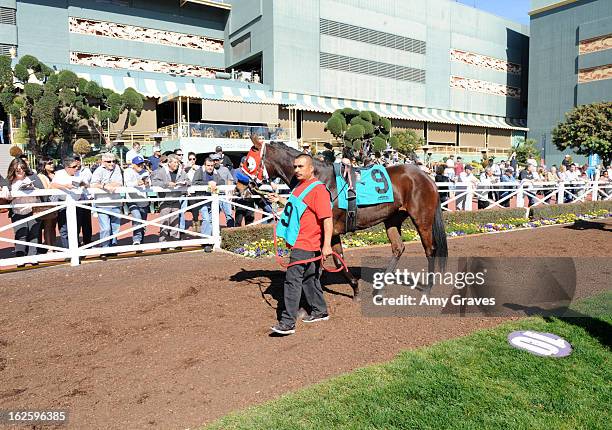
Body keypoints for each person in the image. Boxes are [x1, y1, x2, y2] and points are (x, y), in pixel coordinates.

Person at [265, 153, 333, 335]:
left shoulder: (318, 190)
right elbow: (296, 206)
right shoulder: (299, 187)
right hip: (301, 241)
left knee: (292, 280)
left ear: (311, 168)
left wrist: (327, 245)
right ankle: (320, 311)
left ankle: (287, 322)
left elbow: (327, 219)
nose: (296, 170)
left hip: (306, 242)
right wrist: (279, 200)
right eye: (295, 167)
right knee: (309, 278)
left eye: (301, 166)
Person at [5, 158, 44, 265]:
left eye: (22, 169)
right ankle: (20, 257)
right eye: (18, 170)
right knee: (20, 234)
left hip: (33, 209)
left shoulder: (32, 176)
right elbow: (5, 197)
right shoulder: (8, 180)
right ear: (13, 170)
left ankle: (33, 256)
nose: (21, 172)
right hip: (17, 210)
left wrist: (34, 189)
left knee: (34, 234)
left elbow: (43, 191)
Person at [151, 154, 190, 245]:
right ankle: (163, 243)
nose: (177, 164)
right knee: (165, 222)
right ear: (169, 163)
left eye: (178, 162)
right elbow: (154, 182)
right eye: (175, 162)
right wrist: (167, 183)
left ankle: (174, 242)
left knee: (175, 222)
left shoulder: (181, 172)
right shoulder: (162, 171)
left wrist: (184, 183)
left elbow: (189, 181)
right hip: (164, 201)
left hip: (176, 200)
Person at [90, 152, 124, 251]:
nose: (112, 163)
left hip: (116, 203)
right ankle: (105, 248)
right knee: (105, 228)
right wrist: (105, 186)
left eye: (113, 161)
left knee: (115, 228)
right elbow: (93, 184)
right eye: (109, 161)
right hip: (102, 204)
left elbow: (119, 183)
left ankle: (113, 247)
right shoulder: (98, 170)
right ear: (103, 162)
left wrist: (105, 184)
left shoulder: (117, 168)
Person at [192, 157, 222, 252]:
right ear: (205, 165)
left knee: (213, 220)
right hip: (203, 199)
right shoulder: (199, 171)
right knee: (206, 219)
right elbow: (194, 183)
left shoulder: (216, 173)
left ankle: (212, 239)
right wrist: (207, 183)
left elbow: (222, 181)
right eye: (208, 165)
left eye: (212, 166)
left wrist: (215, 183)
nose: (210, 167)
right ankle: (206, 241)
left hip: (214, 200)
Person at [123, 156, 150, 246]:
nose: (141, 166)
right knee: (137, 218)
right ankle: (136, 239)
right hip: (132, 199)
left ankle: (140, 238)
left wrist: (147, 183)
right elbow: (127, 184)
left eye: (142, 164)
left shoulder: (146, 172)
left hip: (143, 200)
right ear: (133, 165)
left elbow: (149, 183)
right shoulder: (127, 171)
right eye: (139, 164)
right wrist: (136, 183)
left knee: (142, 221)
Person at [36, 157, 58, 253]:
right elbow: (45, 189)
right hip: (47, 204)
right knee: (48, 226)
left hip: (57, 203)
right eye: (49, 163)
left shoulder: (55, 174)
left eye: (52, 163)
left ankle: (53, 245)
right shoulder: (41, 176)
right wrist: (55, 183)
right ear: (43, 165)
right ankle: (49, 247)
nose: (52, 164)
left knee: (53, 226)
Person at [212, 153, 235, 227]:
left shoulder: (225, 169)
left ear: (220, 161)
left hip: (224, 195)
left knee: (229, 214)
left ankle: (230, 231)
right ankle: (214, 233)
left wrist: (230, 194)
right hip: (214, 195)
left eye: (217, 160)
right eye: (214, 160)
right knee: (214, 215)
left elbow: (230, 180)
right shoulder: (210, 170)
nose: (215, 162)